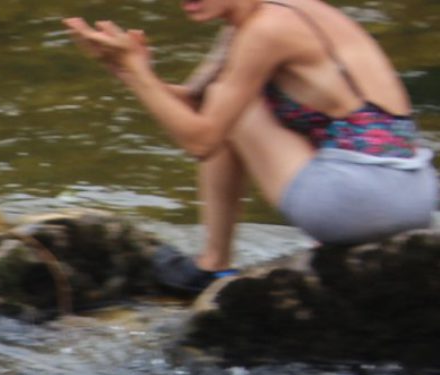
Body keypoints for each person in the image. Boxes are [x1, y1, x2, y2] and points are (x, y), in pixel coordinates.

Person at [65, 0, 434, 294]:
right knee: (223, 101)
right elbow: (192, 102)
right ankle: (216, 261)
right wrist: (131, 71)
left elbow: (201, 140)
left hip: (364, 199)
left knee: (228, 109)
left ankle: (212, 264)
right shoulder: (273, 14)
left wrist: (139, 73)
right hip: (416, 190)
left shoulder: (265, 31)